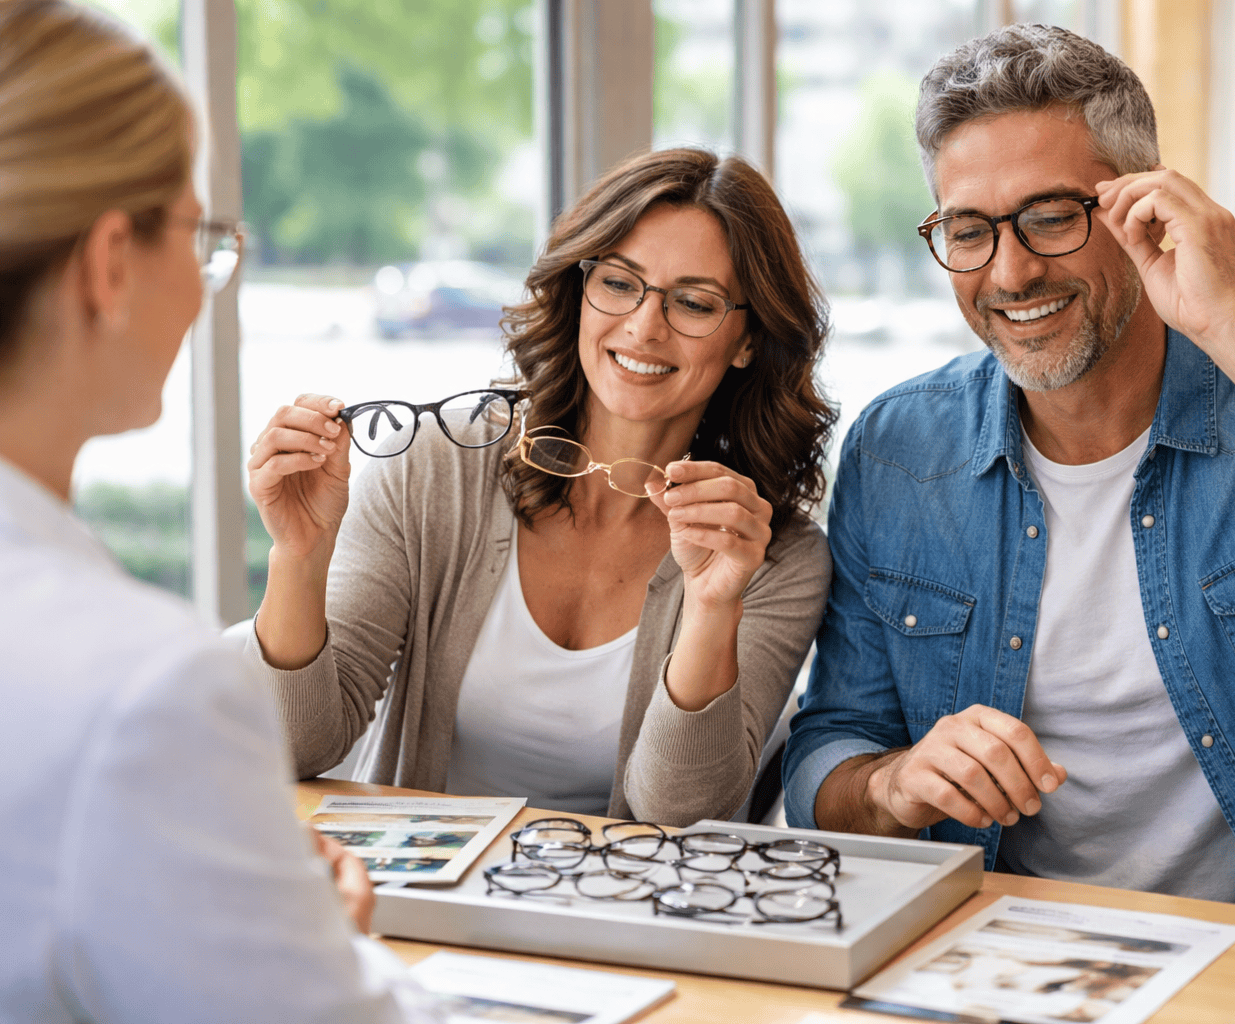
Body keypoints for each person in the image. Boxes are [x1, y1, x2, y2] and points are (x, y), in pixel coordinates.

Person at [783, 23, 1235, 1024]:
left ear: (1146, 206)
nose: (1008, 274)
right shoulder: (899, 449)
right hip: (1006, 985)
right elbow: (829, 755)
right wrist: (897, 784)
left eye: (1051, 216)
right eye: (969, 229)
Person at [0, 2, 442, 1020]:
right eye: (201, 237)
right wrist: (319, 938)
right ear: (111, 263)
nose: (207, 284)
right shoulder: (145, 694)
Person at [241, 148, 834, 825]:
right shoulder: (435, 470)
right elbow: (294, 749)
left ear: (748, 340)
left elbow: (681, 813)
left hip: (623, 921)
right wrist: (299, 553)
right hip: (418, 907)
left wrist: (711, 604)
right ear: (579, 292)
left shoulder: (772, 556)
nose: (644, 325)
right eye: (618, 283)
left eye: (694, 302)